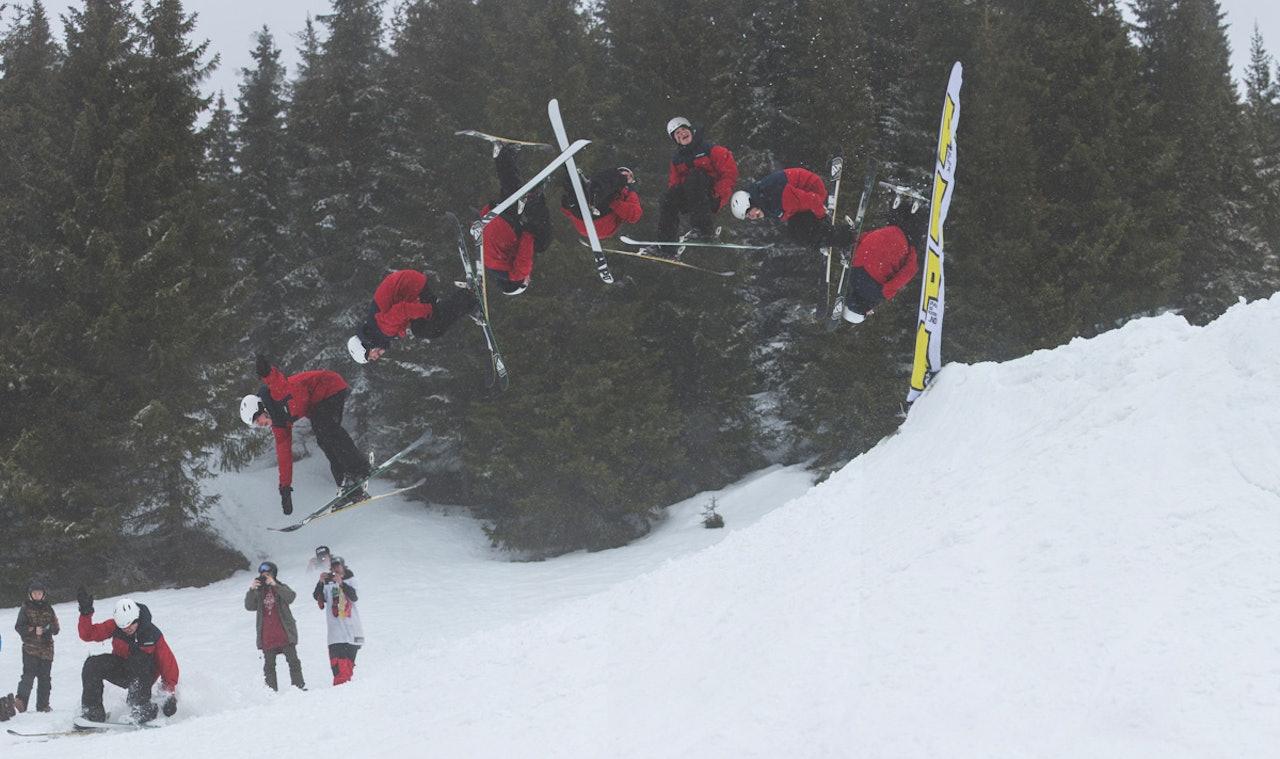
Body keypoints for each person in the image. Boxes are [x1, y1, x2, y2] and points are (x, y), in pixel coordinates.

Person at [238, 355, 372, 515]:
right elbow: (284, 456)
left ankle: (359, 468)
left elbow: (276, 381)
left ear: (261, 407)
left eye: (256, 419)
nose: (259, 424)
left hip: (329, 386)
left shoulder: (277, 395)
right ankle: (350, 489)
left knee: (326, 428)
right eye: (255, 424)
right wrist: (285, 488)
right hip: (317, 405)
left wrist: (266, 372)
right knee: (324, 441)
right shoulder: (279, 424)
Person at [640, 117, 738, 257]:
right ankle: (666, 246)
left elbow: (731, 173)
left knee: (694, 176)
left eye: (683, 130)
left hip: (713, 195)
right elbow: (675, 185)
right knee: (667, 198)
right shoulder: (677, 160)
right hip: (694, 197)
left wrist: (716, 191)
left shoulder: (710, 149)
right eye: (677, 134)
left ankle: (705, 230)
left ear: (691, 130)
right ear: (675, 140)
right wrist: (672, 200)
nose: (682, 134)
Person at [76, 589, 178, 723]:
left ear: (137, 619)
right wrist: (85, 613)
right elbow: (88, 634)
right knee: (92, 664)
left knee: (140, 659)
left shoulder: (152, 634)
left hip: (144, 675)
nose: (127, 629)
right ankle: (93, 713)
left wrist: (168, 696)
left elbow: (168, 665)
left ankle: (142, 709)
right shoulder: (115, 626)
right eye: (123, 627)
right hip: (124, 670)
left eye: (130, 625)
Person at [346, 269, 479, 365]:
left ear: (367, 346)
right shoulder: (376, 329)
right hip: (409, 285)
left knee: (430, 328)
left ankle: (469, 297)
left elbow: (402, 310)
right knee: (425, 327)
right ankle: (467, 300)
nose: (375, 358)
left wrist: (429, 310)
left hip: (411, 286)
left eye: (370, 357)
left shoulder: (382, 328)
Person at [480, 144, 554, 296]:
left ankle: (533, 199)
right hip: (489, 219)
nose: (529, 279)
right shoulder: (491, 265)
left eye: (527, 283)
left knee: (541, 244)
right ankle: (503, 154)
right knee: (511, 191)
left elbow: (524, 256)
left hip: (504, 229)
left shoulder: (517, 274)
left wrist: (528, 232)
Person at [839, 204, 925, 324]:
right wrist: (875, 234)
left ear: (864, 310)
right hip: (880, 235)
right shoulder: (851, 277)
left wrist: (912, 251)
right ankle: (897, 205)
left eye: (867, 314)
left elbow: (907, 272)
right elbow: (859, 242)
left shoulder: (881, 294)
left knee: (912, 238)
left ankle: (920, 211)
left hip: (899, 244)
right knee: (893, 227)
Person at [730, 167, 855, 250]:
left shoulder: (777, 198)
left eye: (748, 212)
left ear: (751, 202)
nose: (751, 217)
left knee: (806, 234)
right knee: (797, 234)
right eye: (747, 217)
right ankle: (831, 238)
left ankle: (848, 236)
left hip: (814, 190)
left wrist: (822, 217)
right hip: (803, 203)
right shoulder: (765, 202)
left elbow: (813, 200)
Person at [244, 561, 305, 692]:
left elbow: (290, 597)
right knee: (269, 667)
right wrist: (252, 590)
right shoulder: (259, 592)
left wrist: (275, 585)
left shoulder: (280, 587)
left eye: (268, 574)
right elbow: (249, 606)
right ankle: (271, 692)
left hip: (284, 633)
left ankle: (299, 687)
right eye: (262, 575)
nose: (265, 577)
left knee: (293, 662)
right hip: (267, 635)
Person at [312, 556, 363, 686]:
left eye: (338, 566)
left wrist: (342, 583)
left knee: (348, 667)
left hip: (353, 631)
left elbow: (354, 597)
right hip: (335, 634)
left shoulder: (352, 580)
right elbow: (318, 597)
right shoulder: (329, 583)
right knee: (339, 668)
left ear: (343, 567)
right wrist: (321, 582)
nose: (336, 570)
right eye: (333, 567)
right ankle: (340, 691)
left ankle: (345, 692)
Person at [13, 579, 60, 713]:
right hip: (30, 650)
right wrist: (33, 630)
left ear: (43, 594)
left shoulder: (49, 609)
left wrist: (48, 629)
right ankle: (20, 703)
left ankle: (43, 706)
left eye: (39, 593)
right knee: (28, 677)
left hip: (47, 650)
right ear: (30, 594)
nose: (37, 596)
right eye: (35, 593)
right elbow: (19, 627)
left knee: (45, 680)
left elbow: (57, 628)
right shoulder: (25, 608)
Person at [560, 166, 643, 240]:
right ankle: (572, 180)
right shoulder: (606, 186)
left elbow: (634, 216)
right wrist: (567, 205)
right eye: (622, 172)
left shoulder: (629, 193)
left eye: (628, 175)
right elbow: (567, 212)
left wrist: (613, 202)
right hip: (582, 219)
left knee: (607, 179)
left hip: (601, 222)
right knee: (581, 194)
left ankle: (575, 187)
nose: (624, 174)